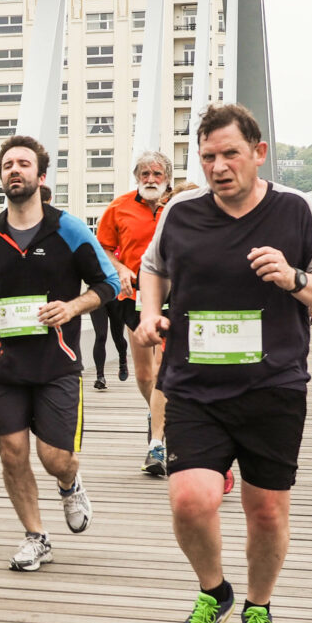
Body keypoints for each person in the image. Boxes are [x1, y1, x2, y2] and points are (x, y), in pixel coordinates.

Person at [137, 104, 312, 623]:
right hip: (193, 383)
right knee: (190, 499)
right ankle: (214, 592)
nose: (218, 166)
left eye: (230, 153)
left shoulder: (296, 209)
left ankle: (259, 606)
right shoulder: (180, 211)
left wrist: (293, 276)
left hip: (272, 384)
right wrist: (148, 315)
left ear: (258, 153)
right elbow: (153, 268)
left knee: (267, 512)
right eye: (208, 156)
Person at [0, 135, 120, 572]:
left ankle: (69, 481)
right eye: (8, 165)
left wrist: (73, 306)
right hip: (4, 363)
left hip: (56, 363)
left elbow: (111, 284)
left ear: (41, 177)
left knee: (52, 457)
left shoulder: (69, 230)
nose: (15, 170)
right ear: (2, 176)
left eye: (24, 164)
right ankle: (35, 536)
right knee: (11, 451)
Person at [95, 150, 173, 475]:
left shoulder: (180, 204)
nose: (151, 180)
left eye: (157, 174)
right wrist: (120, 268)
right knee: (144, 375)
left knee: (164, 368)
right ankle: (156, 412)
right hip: (133, 296)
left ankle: (157, 445)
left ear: (167, 178)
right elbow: (101, 247)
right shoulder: (119, 207)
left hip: (173, 295)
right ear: (137, 177)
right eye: (145, 174)